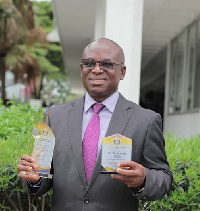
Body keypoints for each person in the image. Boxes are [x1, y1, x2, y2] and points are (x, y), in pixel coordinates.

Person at [17, 38, 172, 211]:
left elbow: (163, 177)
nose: (96, 70)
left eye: (106, 64)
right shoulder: (55, 116)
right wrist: (36, 179)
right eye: (89, 63)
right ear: (82, 68)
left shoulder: (146, 120)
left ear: (122, 71)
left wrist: (144, 180)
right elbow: (44, 176)